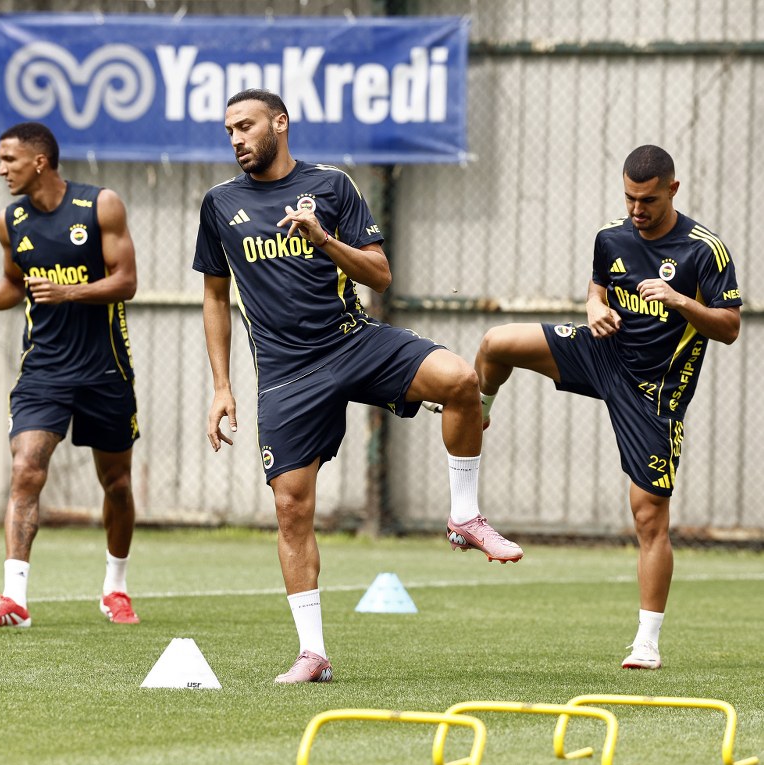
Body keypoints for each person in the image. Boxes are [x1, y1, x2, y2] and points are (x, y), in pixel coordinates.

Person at [193, 88, 523, 684]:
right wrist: (222, 386)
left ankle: (465, 516)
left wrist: (322, 238)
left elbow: (380, 275)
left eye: (246, 126)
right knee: (292, 508)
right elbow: (215, 296)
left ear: (279, 123)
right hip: (286, 371)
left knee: (460, 380)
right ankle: (313, 654)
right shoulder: (220, 204)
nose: (237, 139)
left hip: (352, 340)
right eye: (229, 131)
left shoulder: (332, 186)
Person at [473, 145, 741, 669]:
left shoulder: (704, 251)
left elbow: (729, 327)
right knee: (495, 343)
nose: (637, 210)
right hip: (601, 353)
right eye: (629, 198)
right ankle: (481, 407)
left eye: (648, 201)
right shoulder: (611, 237)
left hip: (654, 393)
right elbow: (597, 290)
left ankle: (647, 643)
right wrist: (595, 307)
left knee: (649, 516)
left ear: (673, 190)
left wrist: (681, 301)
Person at [0, 121, 141, 627]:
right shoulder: (10, 219)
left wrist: (70, 292)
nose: (1, 169)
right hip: (43, 369)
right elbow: (14, 284)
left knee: (117, 484)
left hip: (105, 369)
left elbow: (126, 282)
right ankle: (14, 600)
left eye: (9, 159)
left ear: (39, 162)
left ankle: (115, 589)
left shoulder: (100, 205)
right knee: (26, 468)